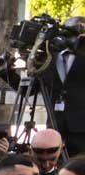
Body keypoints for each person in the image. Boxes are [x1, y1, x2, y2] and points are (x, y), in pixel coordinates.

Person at [40, 20, 85, 157]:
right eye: (65, 34)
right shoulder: (49, 59)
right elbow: (30, 90)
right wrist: (4, 71)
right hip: (55, 126)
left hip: (81, 129)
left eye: (72, 34)